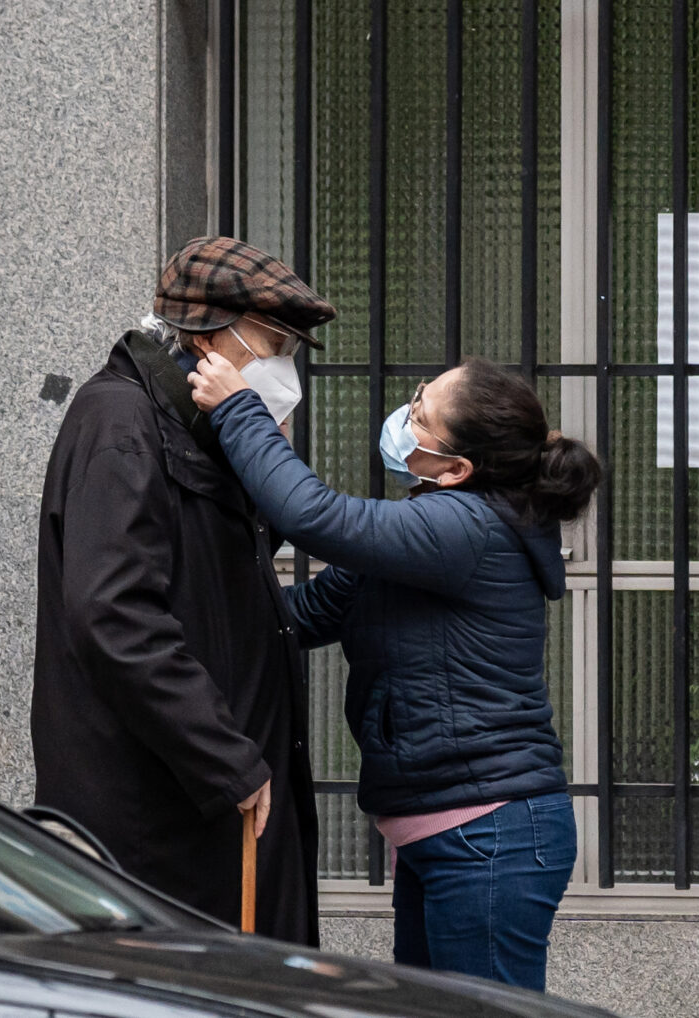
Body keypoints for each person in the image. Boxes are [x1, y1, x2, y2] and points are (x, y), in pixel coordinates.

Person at [190, 351, 600, 990]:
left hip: (488, 831)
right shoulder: (427, 533)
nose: (404, 416)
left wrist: (242, 411)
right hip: (453, 830)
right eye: (417, 395)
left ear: (457, 469)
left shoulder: (463, 526)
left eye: (421, 415)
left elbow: (315, 518)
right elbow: (300, 616)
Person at [30, 236, 333, 943]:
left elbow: (220, 571)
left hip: (209, 802)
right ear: (207, 339)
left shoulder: (191, 426)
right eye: (273, 345)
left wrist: (260, 451)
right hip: (164, 815)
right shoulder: (122, 424)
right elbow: (116, 616)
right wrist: (224, 756)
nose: (283, 369)